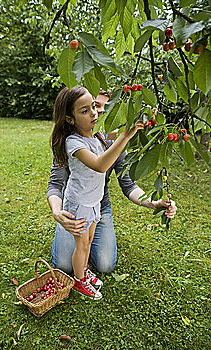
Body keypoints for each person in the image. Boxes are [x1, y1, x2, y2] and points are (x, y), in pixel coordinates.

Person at [48, 89, 177, 293]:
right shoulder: (72, 142)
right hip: (76, 206)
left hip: (97, 203)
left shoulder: (102, 137)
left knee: (102, 260)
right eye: (86, 109)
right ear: (70, 119)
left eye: (97, 107)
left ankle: (83, 268)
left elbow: (128, 184)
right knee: (66, 263)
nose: (95, 113)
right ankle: (80, 279)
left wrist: (154, 202)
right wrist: (57, 212)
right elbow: (96, 166)